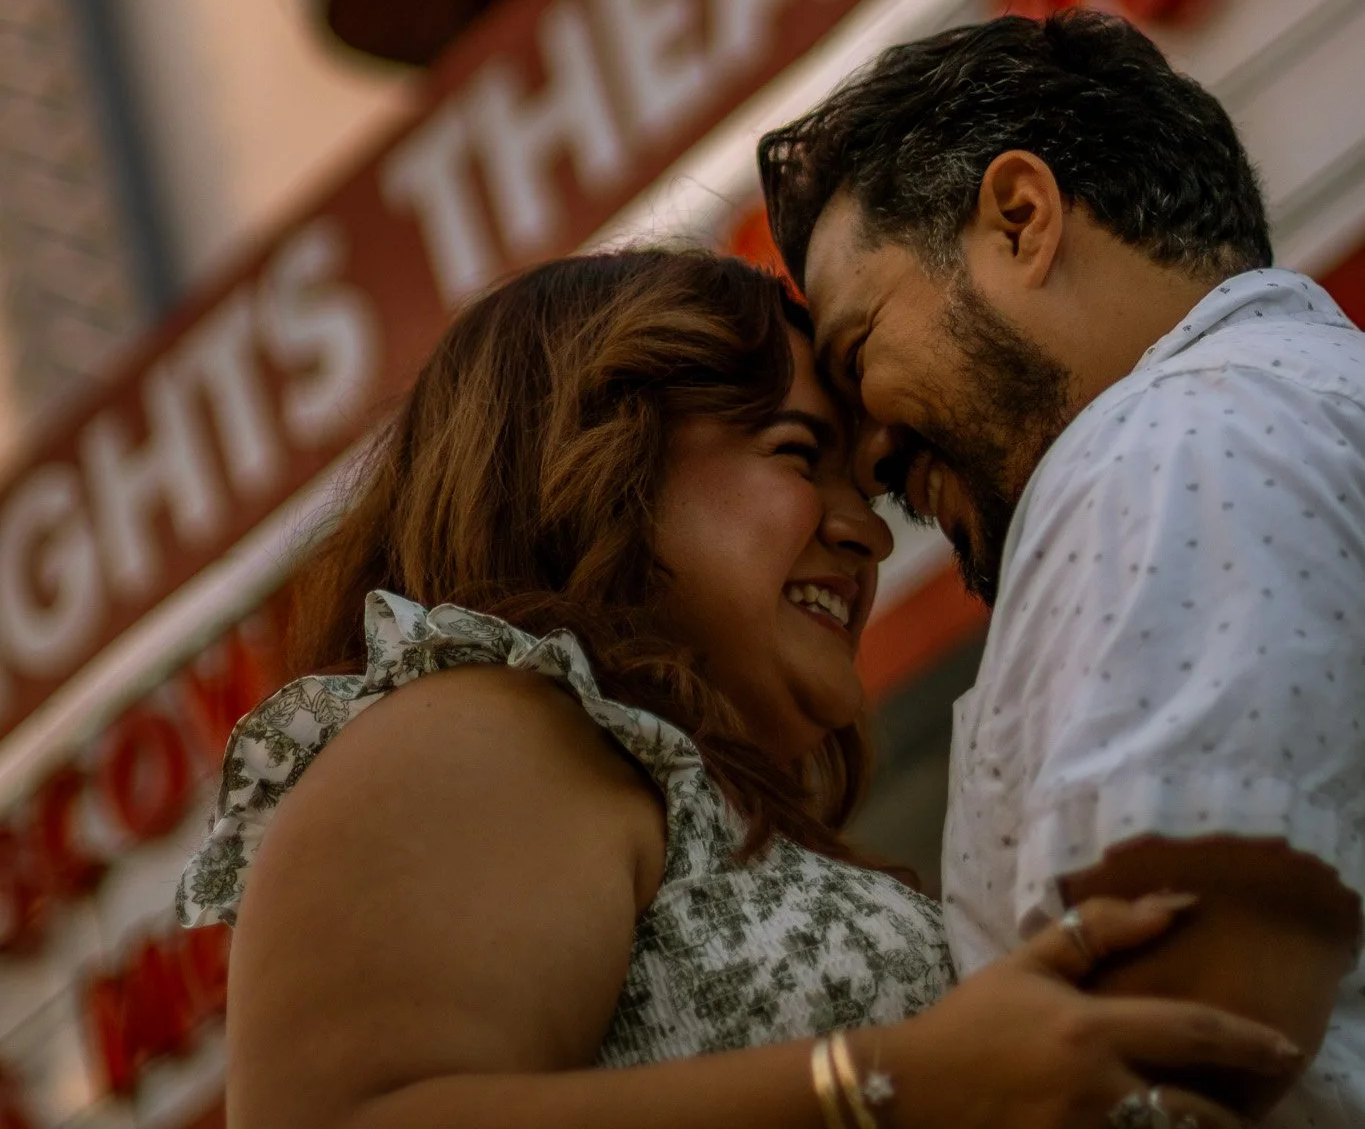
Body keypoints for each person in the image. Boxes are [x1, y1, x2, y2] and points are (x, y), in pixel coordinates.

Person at [177, 248, 1296, 1129]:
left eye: (868, 488)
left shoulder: (665, 789)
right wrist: (882, 1084)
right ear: (600, 457)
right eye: (800, 453)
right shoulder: (483, 718)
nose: (863, 531)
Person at [759, 8, 1365, 1129]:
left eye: (858, 354)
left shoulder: (1169, 447)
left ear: (1022, 218)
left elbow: (1180, 1055)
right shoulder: (1289, 403)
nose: (874, 459)